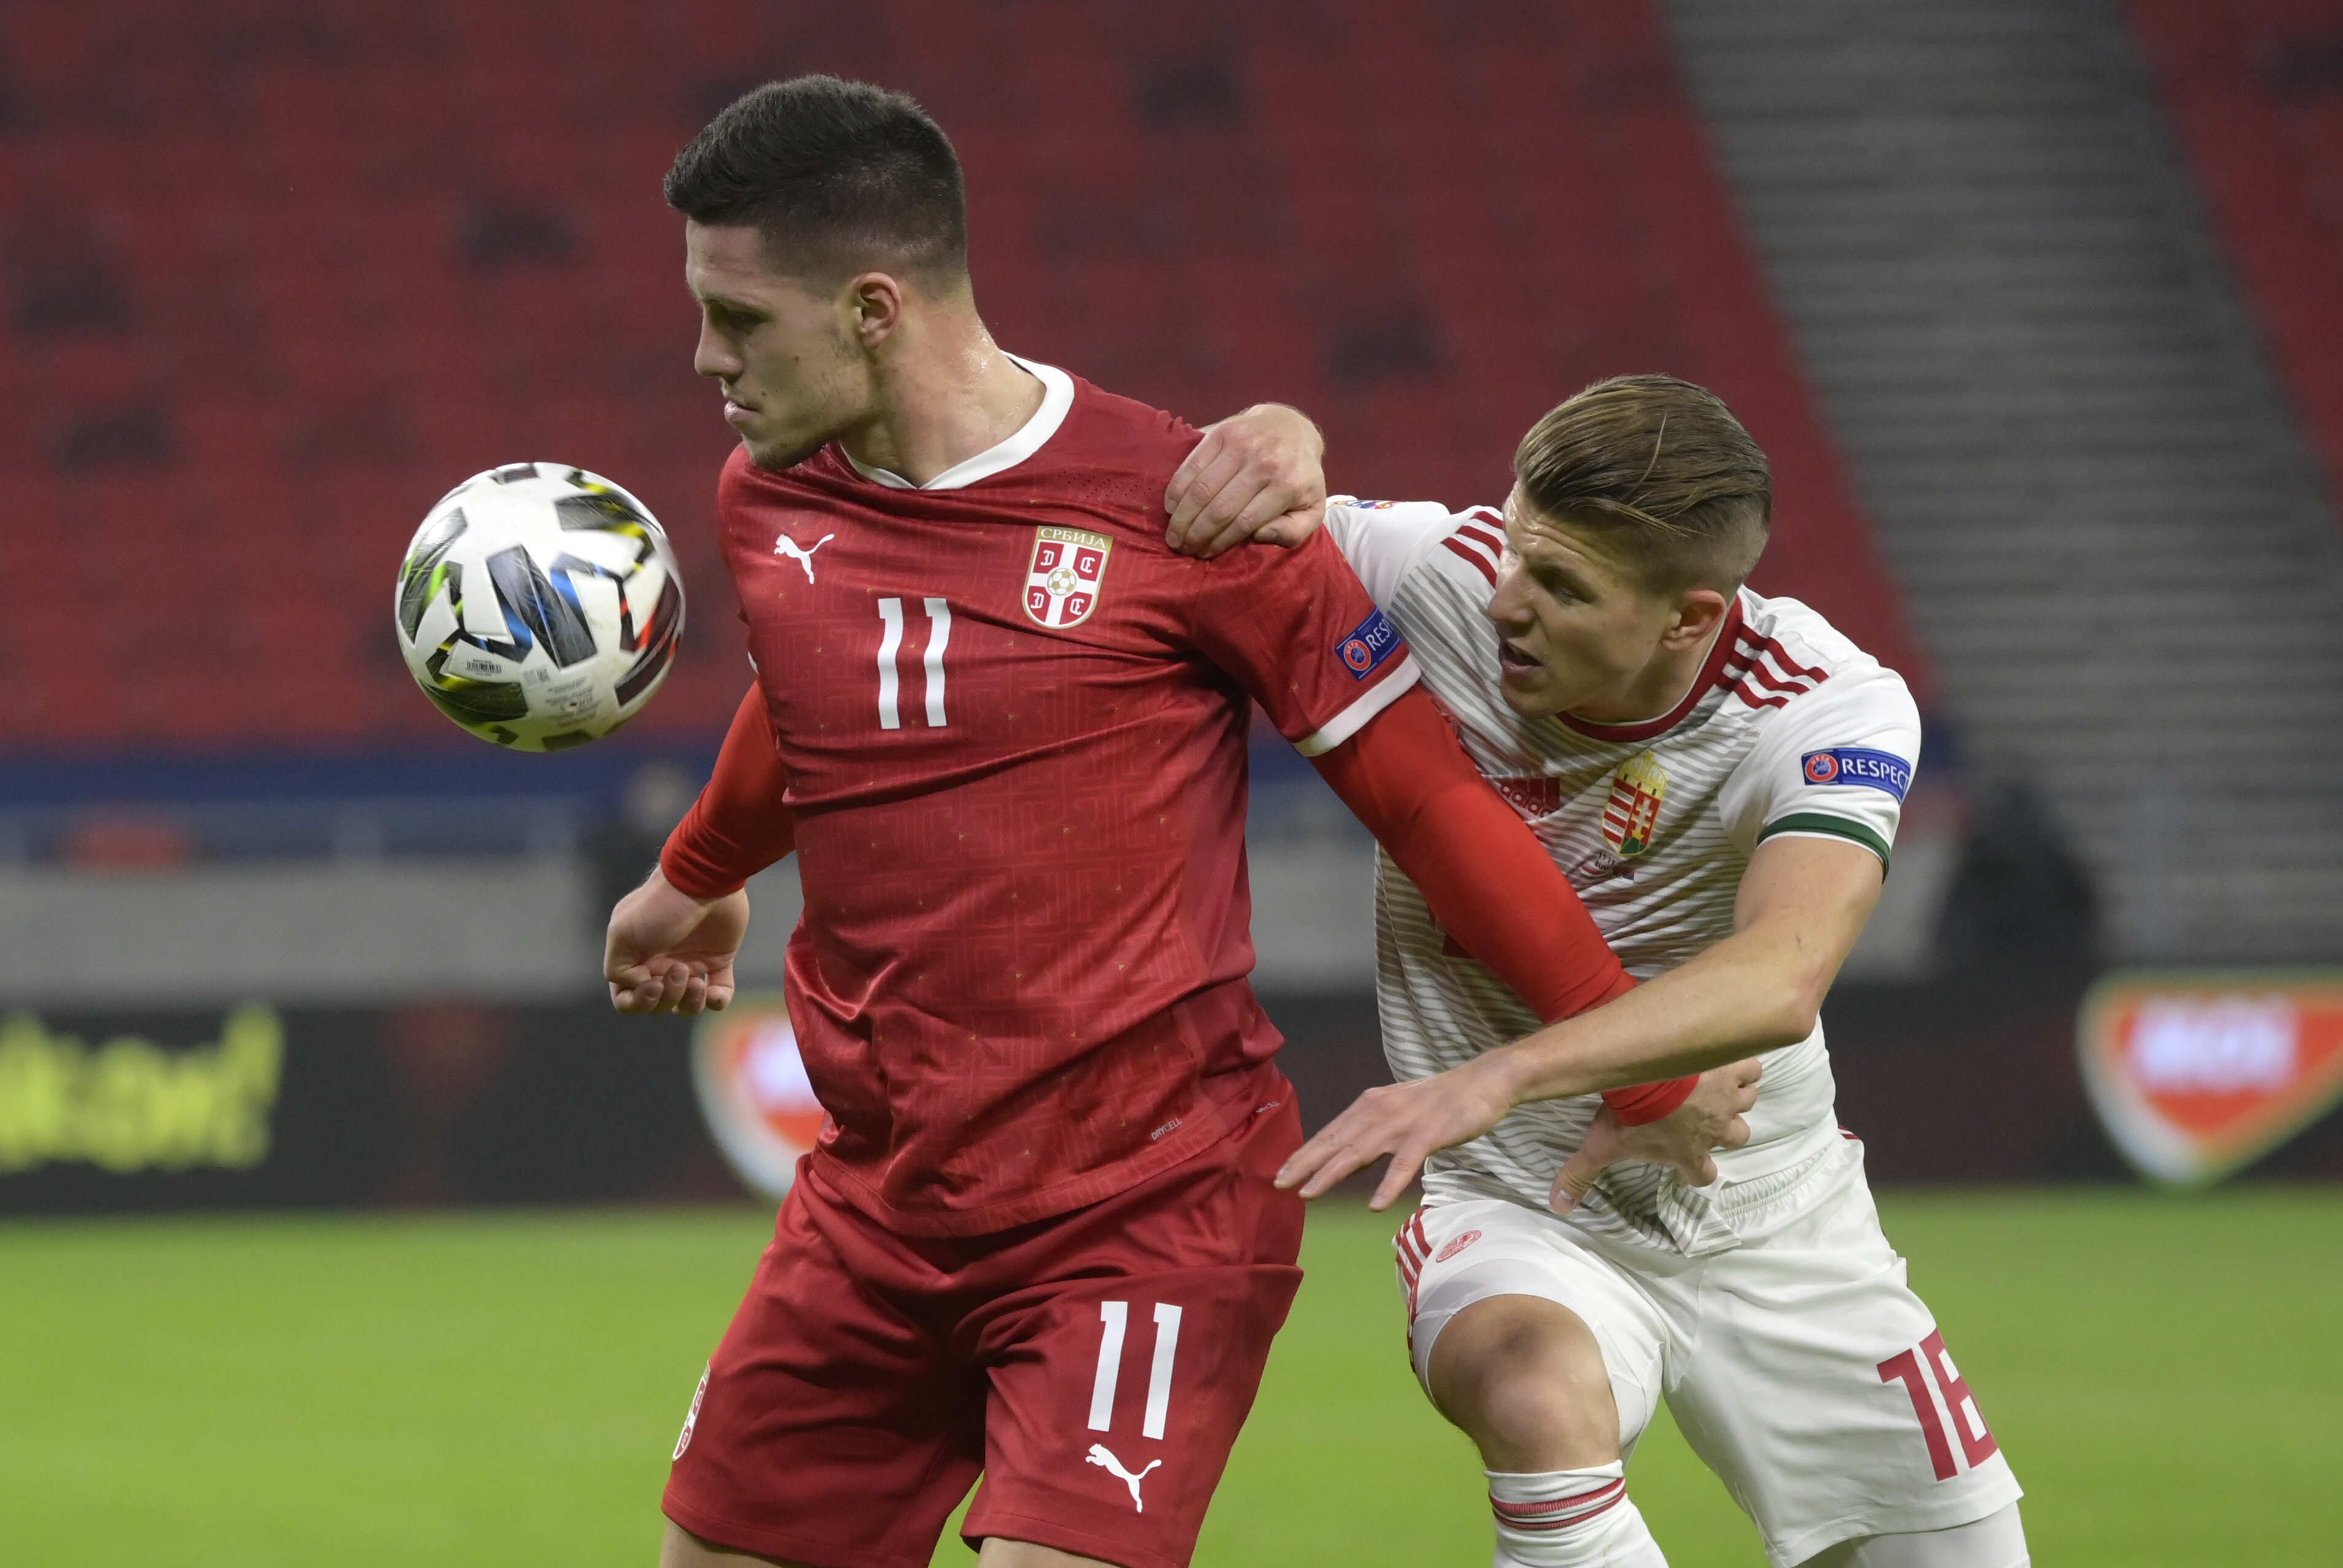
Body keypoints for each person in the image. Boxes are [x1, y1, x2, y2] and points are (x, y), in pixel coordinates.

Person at [601, 78, 1741, 1568]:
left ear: (875, 305)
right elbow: (813, 697)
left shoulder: (1189, 513)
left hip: (1140, 1208)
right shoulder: (768, 501)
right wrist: (697, 875)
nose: (707, 361)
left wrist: (1639, 1065)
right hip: (880, 1202)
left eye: (739, 318)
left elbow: (1426, 798)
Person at [1173, 377, 2027, 1567]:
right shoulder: (1439, 573)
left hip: (1773, 1214)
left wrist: (1499, 1073)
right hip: (1524, 1202)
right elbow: (1207, 496)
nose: (1508, 603)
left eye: (1563, 587)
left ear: (1689, 618)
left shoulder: (1822, 702)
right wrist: (1284, 432)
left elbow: (1783, 970)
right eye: (1519, 549)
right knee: (1531, 1389)